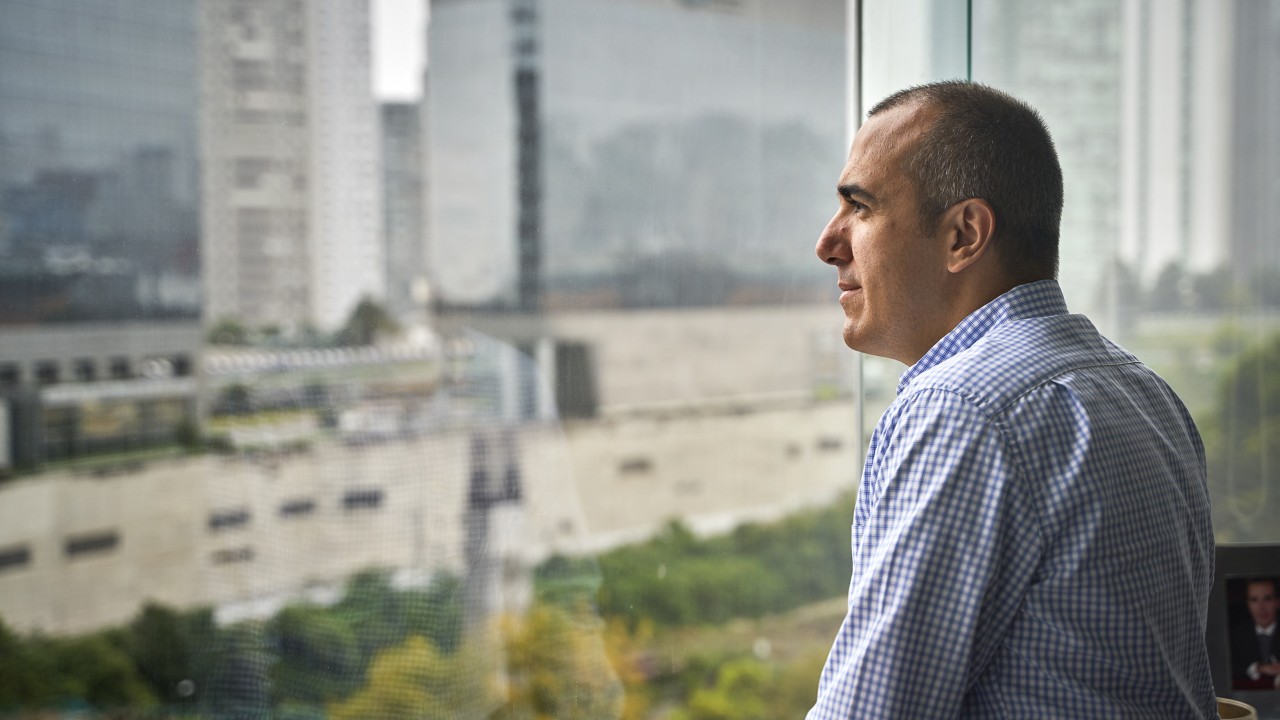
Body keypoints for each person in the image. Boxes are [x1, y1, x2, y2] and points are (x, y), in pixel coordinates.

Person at [807, 81, 1217, 718]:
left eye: (859, 207)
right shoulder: (1144, 394)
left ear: (964, 235)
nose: (828, 243)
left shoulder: (963, 411)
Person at [1231, 578, 1280, 689]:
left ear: (1277, 602)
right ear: (1248, 604)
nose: (1261, 607)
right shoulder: (1236, 634)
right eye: (1254, 600)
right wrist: (1258, 668)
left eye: (1267, 599)